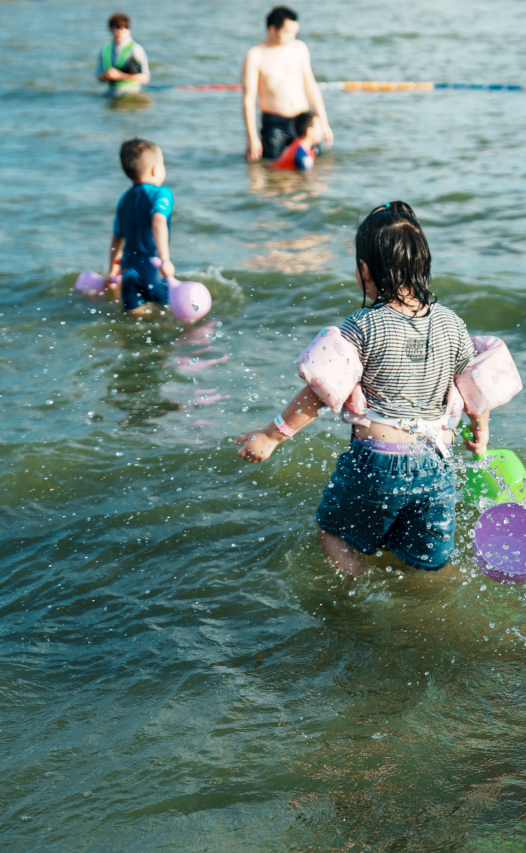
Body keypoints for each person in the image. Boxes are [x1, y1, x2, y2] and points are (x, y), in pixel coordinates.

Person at [235, 202, 488, 575]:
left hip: (377, 460)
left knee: (333, 530)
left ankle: (360, 587)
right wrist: (481, 435)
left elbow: (322, 391)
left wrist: (273, 436)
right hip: (435, 463)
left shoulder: (362, 325)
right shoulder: (453, 324)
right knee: (424, 560)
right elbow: (474, 388)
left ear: (365, 270)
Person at [242, 6, 335, 161]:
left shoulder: (299, 48)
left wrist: (323, 122)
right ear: (272, 30)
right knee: (275, 171)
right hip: (275, 123)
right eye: (287, 32)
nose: (292, 37)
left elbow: (311, 86)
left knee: (311, 170)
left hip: (303, 121)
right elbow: (248, 100)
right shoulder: (255, 55)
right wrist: (252, 137)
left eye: (295, 32)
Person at [105, 138, 175, 315]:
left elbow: (117, 237)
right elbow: (158, 220)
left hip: (128, 273)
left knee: (136, 319)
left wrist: (112, 269)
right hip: (151, 271)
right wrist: (165, 260)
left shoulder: (124, 199)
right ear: (154, 169)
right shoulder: (162, 193)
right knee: (171, 314)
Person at [96, 13, 150, 95]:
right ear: (111, 28)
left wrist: (120, 76)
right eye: (118, 26)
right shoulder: (105, 49)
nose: (122, 29)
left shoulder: (136, 49)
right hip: (111, 92)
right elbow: (99, 77)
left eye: (126, 27)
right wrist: (107, 75)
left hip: (132, 93)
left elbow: (145, 78)